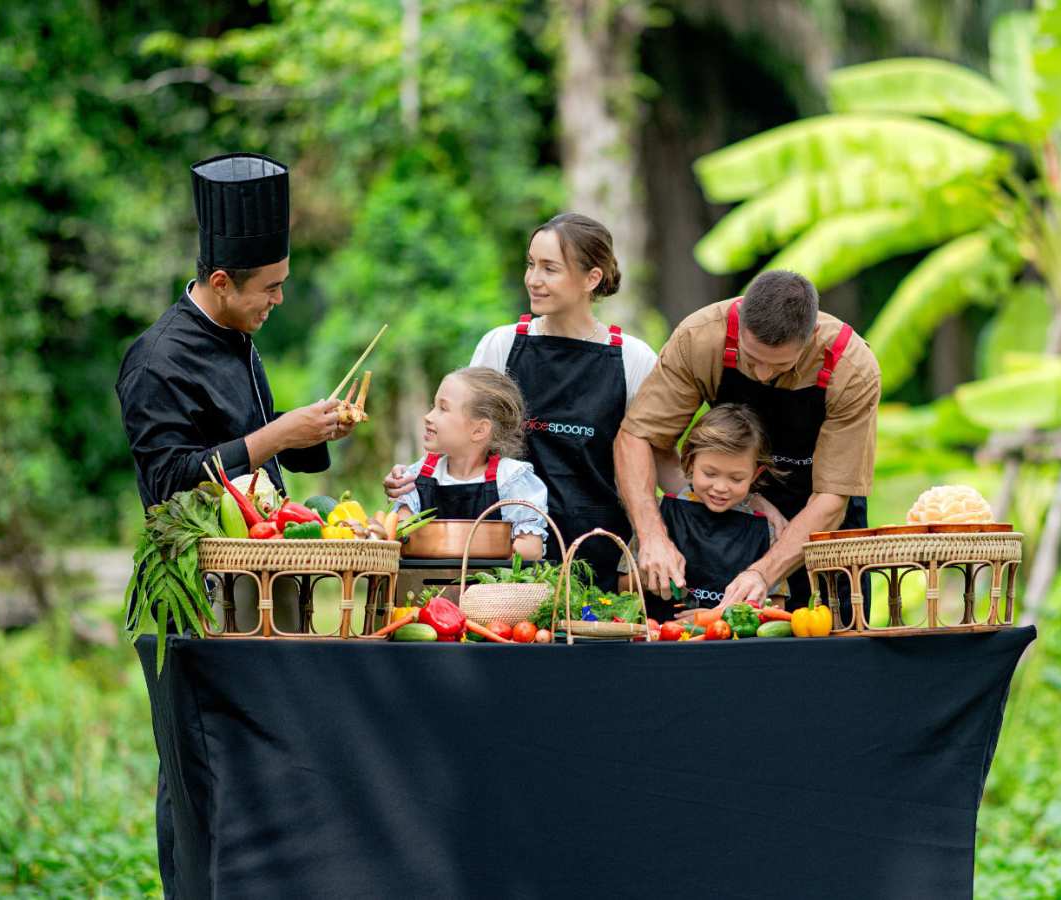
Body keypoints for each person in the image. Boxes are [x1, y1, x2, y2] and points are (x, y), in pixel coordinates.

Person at [116, 152, 352, 898]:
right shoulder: (156, 360)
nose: (278, 299)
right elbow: (169, 484)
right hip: (198, 600)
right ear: (221, 281)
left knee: (270, 774)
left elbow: (249, 448)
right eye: (269, 287)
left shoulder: (237, 335)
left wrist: (312, 432)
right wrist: (278, 434)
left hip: (263, 593)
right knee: (204, 780)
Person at [385, 213, 673, 589]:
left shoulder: (633, 358)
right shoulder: (501, 345)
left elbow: (656, 458)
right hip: (504, 562)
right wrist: (411, 481)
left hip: (599, 554)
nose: (533, 279)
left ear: (592, 278)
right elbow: (462, 438)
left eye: (550, 268)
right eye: (531, 264)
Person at [614, 269, 880, 619]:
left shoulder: (851, 368)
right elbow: (638, 436)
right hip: (731, 508)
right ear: (738, 326)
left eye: (780, 364)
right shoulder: (700, 338)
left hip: (822, 517)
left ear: (812, 336)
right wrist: (652, 536)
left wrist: (762, 574)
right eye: (751, 359)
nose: (763, 375)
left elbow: (832, 498)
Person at [628, 404, 789, 621]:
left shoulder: (764, 530)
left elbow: (777, 609)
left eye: (736, 479)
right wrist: (647, 576)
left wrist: (716, 618)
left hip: (731, 642)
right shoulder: (658, 516)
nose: (720, 487)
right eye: (710, 473)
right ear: (691, 461)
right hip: (659, 637)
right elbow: (624, 586)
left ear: (755, 474)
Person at [391, 367, 549, 560]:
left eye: (443, 408)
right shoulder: (419, 475)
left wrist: (456, 547)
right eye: (433, 406)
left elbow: (531, 549)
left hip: (491, 581)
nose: (428, 416)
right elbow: (401, 534)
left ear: (479, 430)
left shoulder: (511, 480)